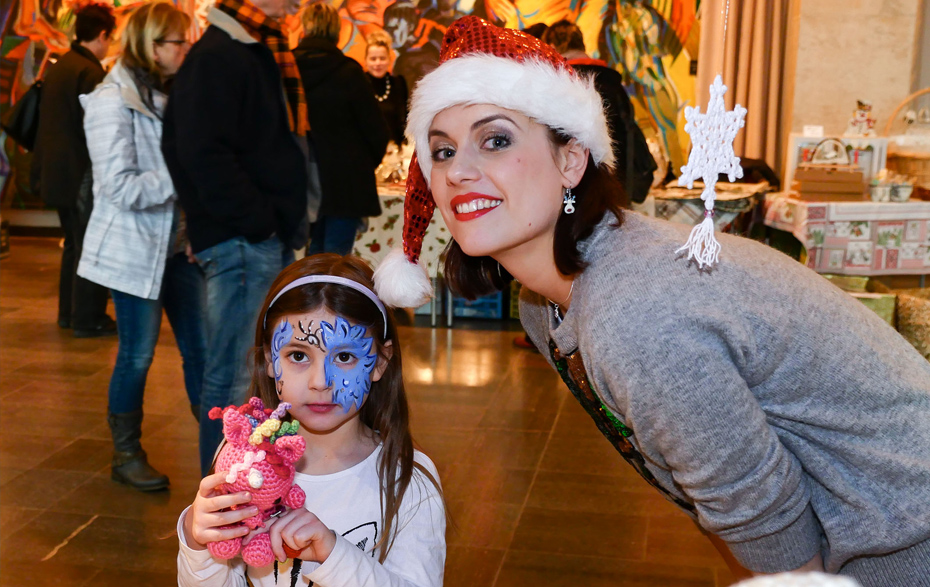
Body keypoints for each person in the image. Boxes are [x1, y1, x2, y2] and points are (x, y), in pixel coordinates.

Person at [373, 16, 930, 586]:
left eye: (495, 140)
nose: (459, 171)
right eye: (441, 152)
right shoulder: (548, 305)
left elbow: (767, 525)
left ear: (571, 159)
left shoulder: (638, 307)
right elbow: (716, 498)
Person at [177, 254, 446, 586]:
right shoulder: (243, 460)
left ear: (380, 362)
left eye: (345, 357)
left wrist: (334, 556)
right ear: (270, 361)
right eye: (298, 356)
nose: (321, 381)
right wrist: (197, 543)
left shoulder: (407, 478)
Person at [162, 0, 310, 475]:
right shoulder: (220, 55)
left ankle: (252, 490)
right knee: (232, 383)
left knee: (251, 379)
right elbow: (197, 152)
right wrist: (255, 220)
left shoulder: (250, 49)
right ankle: (224, 501)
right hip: (243, 241)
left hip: (251, 238)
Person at [78, 1, 203, 492]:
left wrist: (192, 231)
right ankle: (125, 452)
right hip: (134, 254)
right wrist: (182, 169)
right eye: (178, 42)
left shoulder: (168, 94)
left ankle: (224, 451)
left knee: (203, 352)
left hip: (177, 250)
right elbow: (120, 188)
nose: (186, 49)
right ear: (152, 46)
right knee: (136, 356)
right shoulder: (111, 100)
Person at [31, 1, 117, 337]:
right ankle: (87, 318)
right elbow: (99, 129)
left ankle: (68, 313)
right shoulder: (90, 71)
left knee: (74, 244)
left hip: (57, 173)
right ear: (102, 35)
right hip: (81, 176)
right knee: (88, 247)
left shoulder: (62, 65)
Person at [295, 3, 389, 256]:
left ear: (304, 29)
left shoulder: (288, 69)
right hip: (346, 182)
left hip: (299, 178)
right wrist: (362, 165)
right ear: (337, 32)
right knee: (336, 261)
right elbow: (376, 131)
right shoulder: (349, 72)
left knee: (309, 261)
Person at [542, 19, 656, 204]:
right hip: (616, 190)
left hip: (572, 192)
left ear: (553, 46)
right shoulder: (613, 83)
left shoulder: (561, 83)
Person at [365, 30, 408, 148]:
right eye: (373, 59)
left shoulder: (398, 83)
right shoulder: (359, 85)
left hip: (396, 152)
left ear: (389, 59)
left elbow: (404, 121)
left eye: (382, 58)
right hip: (368, 154)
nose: (377, 63)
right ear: (366, 61)